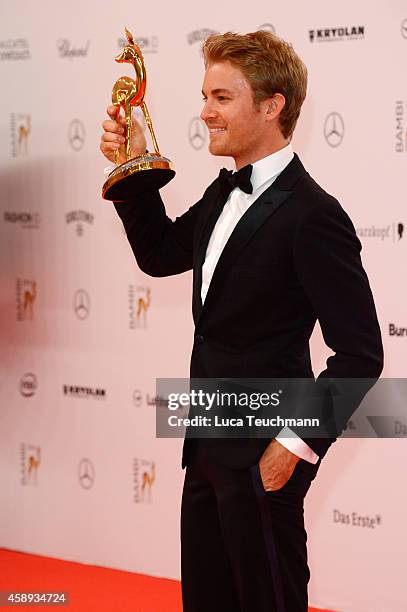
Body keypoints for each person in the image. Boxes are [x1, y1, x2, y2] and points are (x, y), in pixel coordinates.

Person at [100, 30, 383, 612]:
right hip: (206, 440)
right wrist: (131, 166)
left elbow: (361, 354)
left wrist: (295, 444)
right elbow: (158, 255)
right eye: (205, 95)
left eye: (222, 97)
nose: (204, 111)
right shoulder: (221, 193)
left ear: (272, 105)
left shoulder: (314, 216)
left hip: (264, 454)